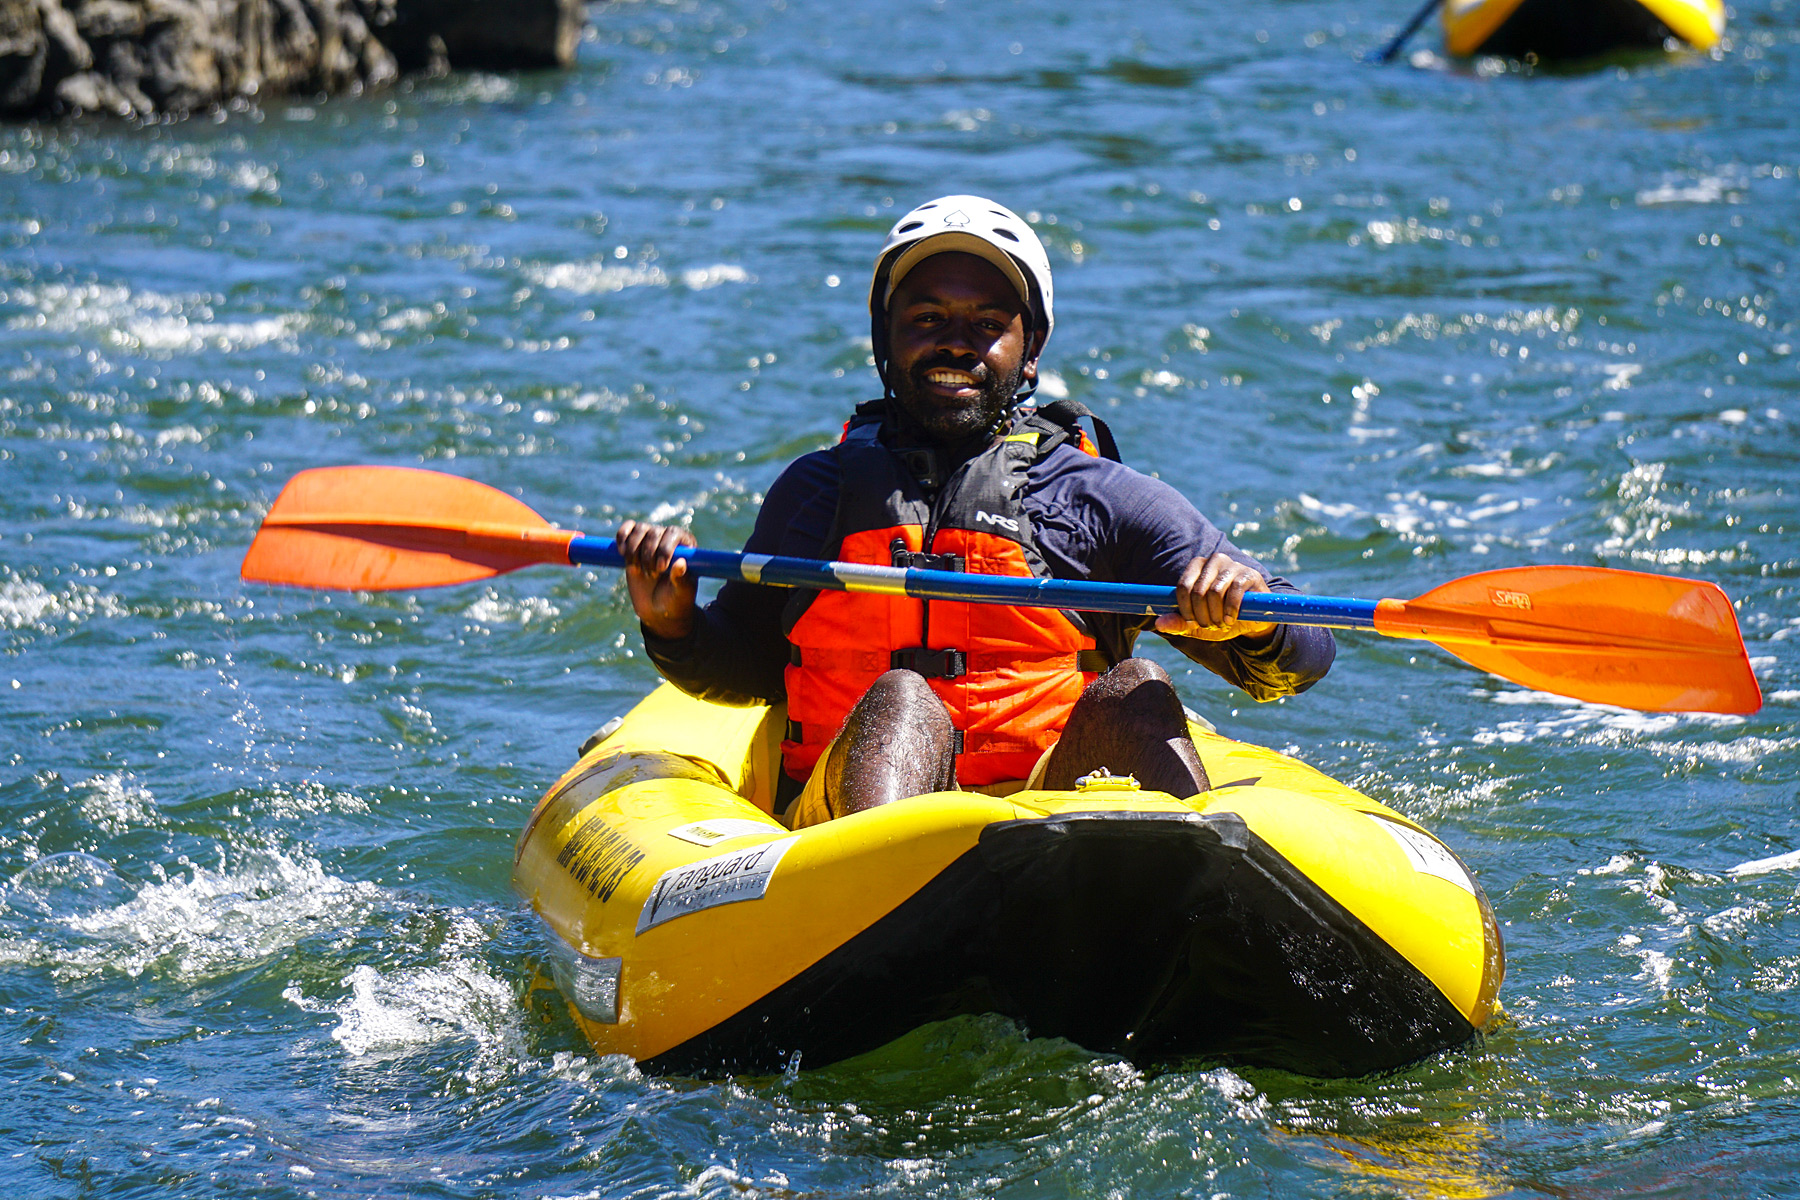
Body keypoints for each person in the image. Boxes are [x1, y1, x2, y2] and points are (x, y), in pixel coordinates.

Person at [615, 195, 1334, 828]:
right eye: (927, 318)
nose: (955, 341)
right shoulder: (817, 492)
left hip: (1047, 809)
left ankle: (1185, 921)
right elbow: (752, 669)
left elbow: (1300, 661)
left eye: (987, 324)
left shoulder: (1097, 498)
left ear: (1031, 352)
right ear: (884, 341)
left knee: (1136, 695)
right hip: (841, 838)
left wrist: (1255, 614)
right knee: (901, 702)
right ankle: (885, 916)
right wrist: (674, 622)